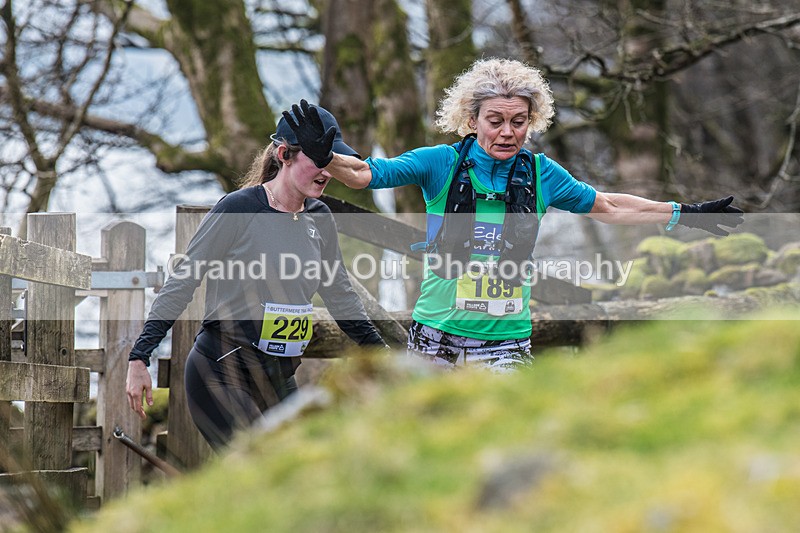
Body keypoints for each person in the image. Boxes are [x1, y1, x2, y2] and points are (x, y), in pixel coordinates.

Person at [281, 58, 744, 373]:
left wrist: (682, 213)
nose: (507, 133)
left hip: (506, 341)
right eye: (495, 121)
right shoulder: (439, 163)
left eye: (518, 122)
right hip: (436, 336)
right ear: (472, 120)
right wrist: (325, 157)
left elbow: (608, 206)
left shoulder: (543, 174)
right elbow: (364, 174)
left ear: (531, 121)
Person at [126, 104, 387, 449]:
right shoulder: (239, 208)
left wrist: (385, 357)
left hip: (279, 379)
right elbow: (182, 281)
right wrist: (139, 356)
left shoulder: (320, 216)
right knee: (261, 460)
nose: (326, 171)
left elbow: (341, 298)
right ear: (284, 155)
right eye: (318, 159)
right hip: (220, 374)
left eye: (332, 161)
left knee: (305, 463)